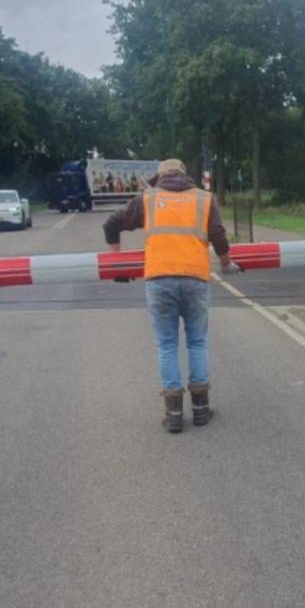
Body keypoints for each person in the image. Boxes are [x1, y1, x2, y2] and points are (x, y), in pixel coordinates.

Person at [103, 158, 242, 433]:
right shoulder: (203, 198)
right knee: (197, 342)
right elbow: (217, 233)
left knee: (167, 345)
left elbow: (111, 225)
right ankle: (201, 410)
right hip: (195, 277)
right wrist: (226, 264)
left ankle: (174, 414)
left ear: (159, 177)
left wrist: (116, 262)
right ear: (185, 175)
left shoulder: (148, 198)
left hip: (159, 279)